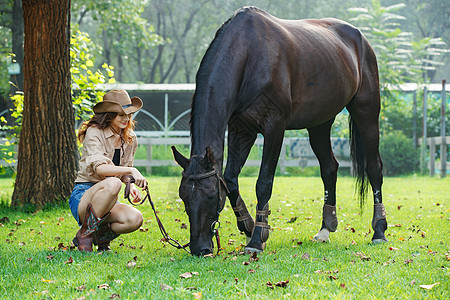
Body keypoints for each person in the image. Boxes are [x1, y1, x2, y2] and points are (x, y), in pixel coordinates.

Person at [69, 89, 147, 252]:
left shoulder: (130, 137)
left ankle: (100, 236)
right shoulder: (95, 132)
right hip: (84, 195)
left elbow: (124, 172)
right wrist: (131, 171)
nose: (126, 119)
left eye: (128, 115)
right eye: (121, 115)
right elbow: (102, 169)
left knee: (135, 218)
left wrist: (130, 184)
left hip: (110, 198)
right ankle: (85, 234)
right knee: (112, 183)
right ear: (109, 115)